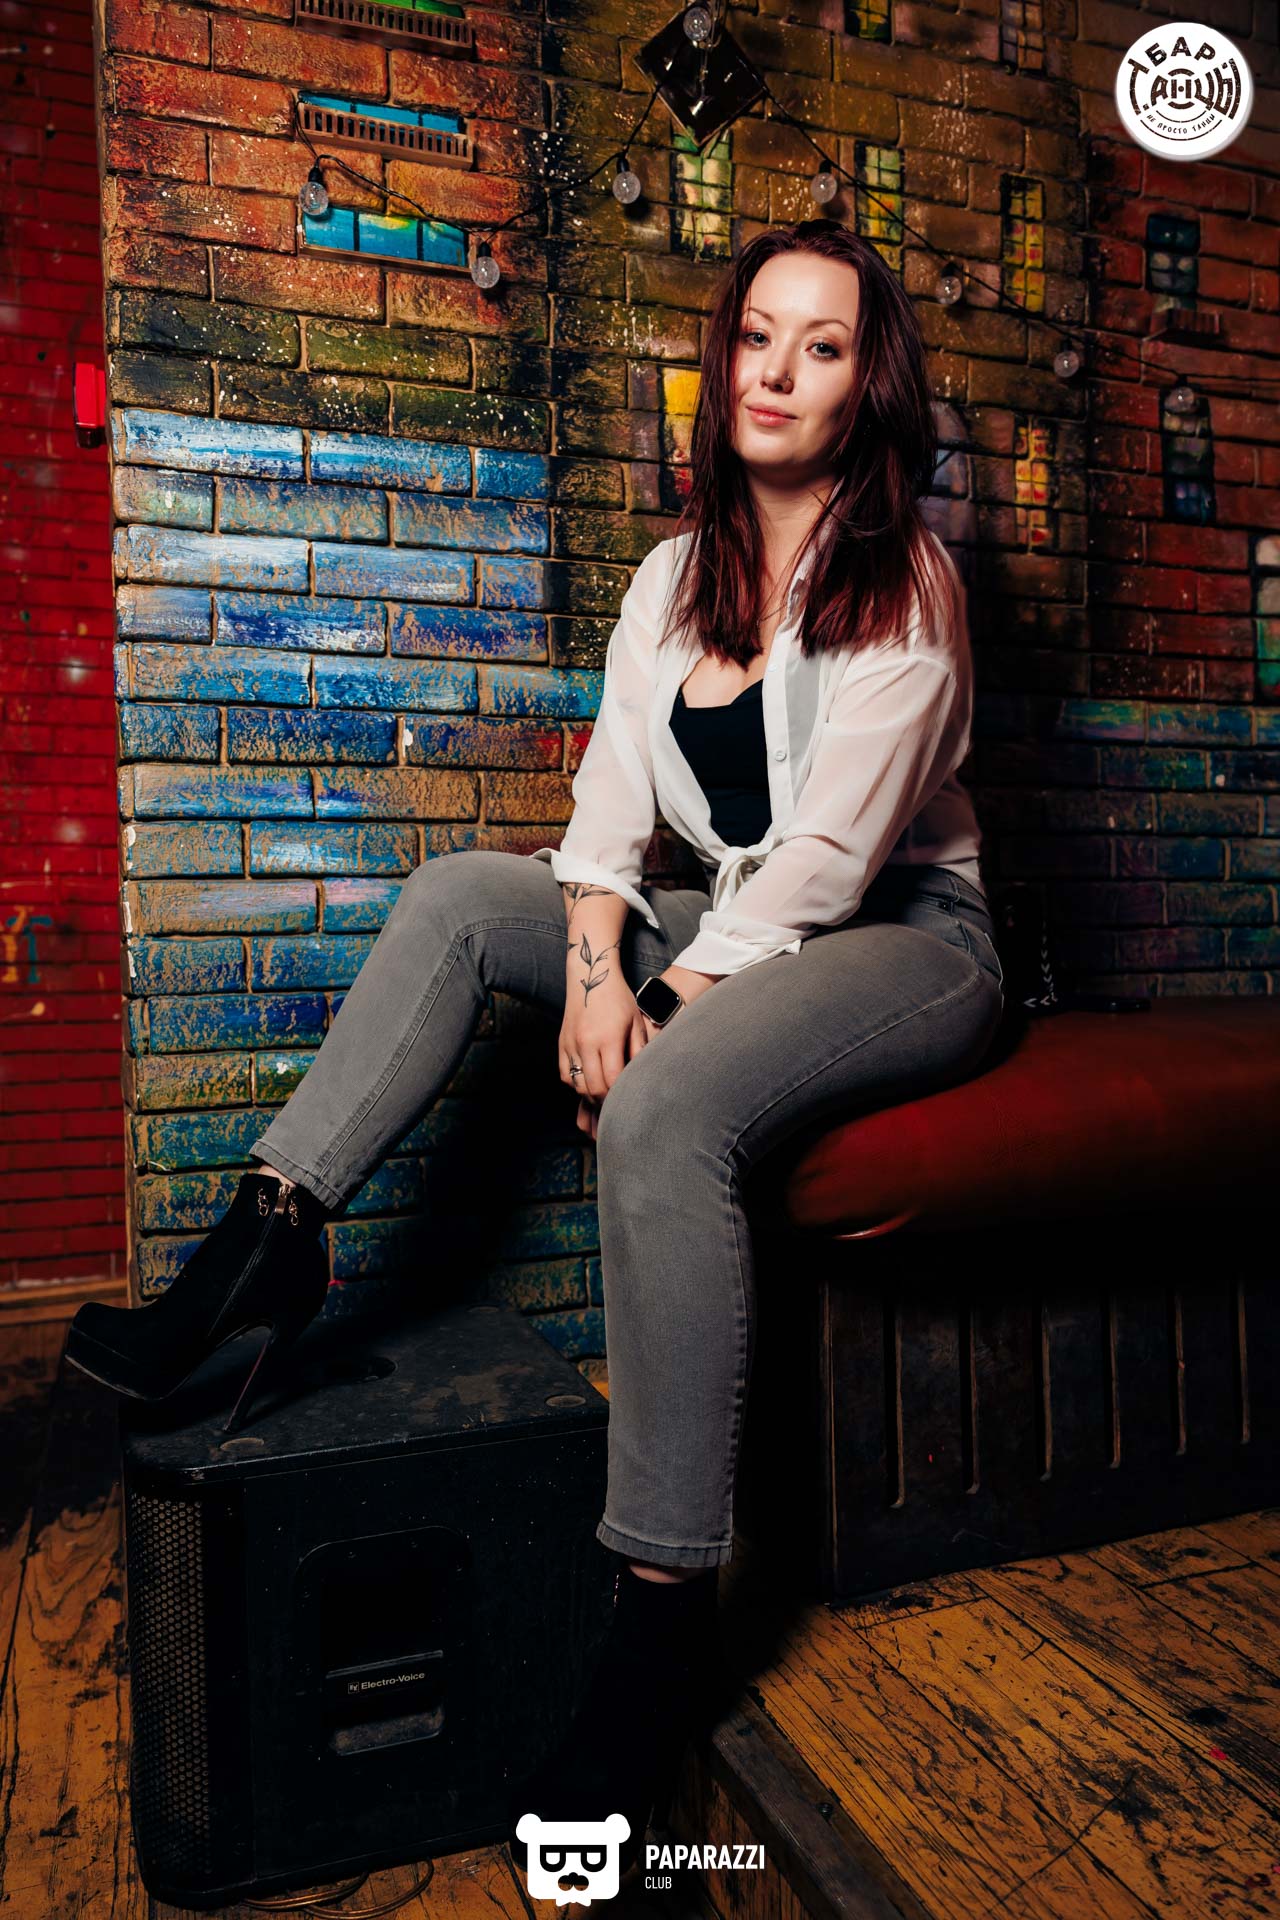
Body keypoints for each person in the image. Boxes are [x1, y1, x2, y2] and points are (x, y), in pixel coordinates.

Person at [65, 219, 1005, 1878]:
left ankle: (659, 1618)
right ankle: (270, 1238)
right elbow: (609, 815)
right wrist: (590, 978)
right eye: (757, 336)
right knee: (456, 897)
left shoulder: (906, 587)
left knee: (663, 1118)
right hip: (732, 921)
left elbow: (824, 867)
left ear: (870, 388)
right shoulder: (672, 577)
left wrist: (663, 1015)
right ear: (722, 359)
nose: (777, 373)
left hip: (906, 939)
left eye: (824, 347)